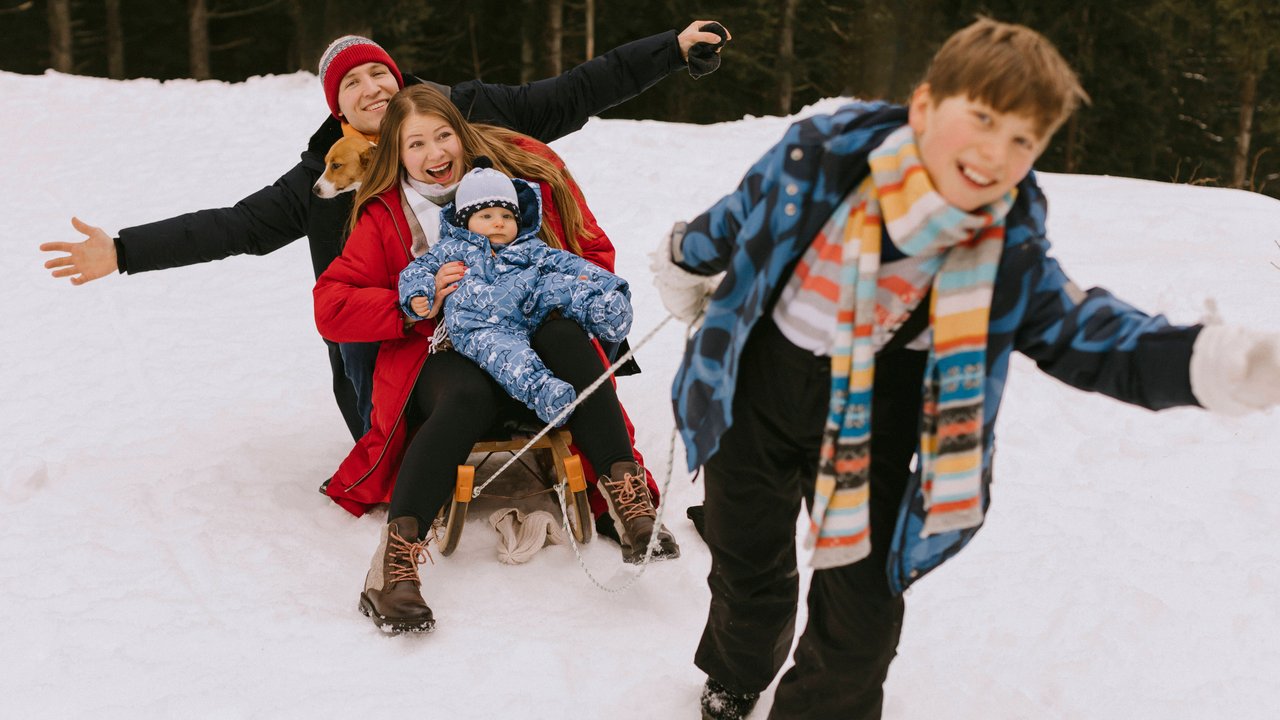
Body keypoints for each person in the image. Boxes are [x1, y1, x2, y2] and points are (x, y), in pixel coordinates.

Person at [650, 18, 1280, 720]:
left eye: (1023, 139)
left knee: (861, 616)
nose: (995, 152)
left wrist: (1210, 363)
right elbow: (743, 214)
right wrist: (685, 255)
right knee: (748, 561)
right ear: (924, 108)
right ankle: (736, 672)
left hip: (877, 417)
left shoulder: (1004, 244)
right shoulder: (823, 156)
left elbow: (1087, 333)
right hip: (757, 384)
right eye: (981, 118)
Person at [38, 22, 731, 442]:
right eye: (351, 84)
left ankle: (584, 453)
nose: (371, 87)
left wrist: (670, 51)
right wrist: (124, 250)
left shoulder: (469, 116)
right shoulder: (325, 178)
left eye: (379, 72)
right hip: (408, 343)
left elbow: (576, 90)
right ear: (338, 110)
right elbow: (234, 227)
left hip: (509, 315)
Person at [315, 85, 680, 634]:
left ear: (461, 136)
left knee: (564, 335)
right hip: (447, 353)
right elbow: (333, 306)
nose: (435, 154)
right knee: (468, 392)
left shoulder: (517, 189)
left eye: (443, 136)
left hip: (534, 344)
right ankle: (393, 568)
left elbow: (589, 253)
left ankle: (626, 500)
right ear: (395, 153)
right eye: (416, 144)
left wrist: (556, 289)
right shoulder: (385, 214)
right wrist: (413, 302)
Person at [399, 159, 633, 424]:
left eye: (507, 216)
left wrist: (609, 283)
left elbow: (569, 263)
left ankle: (603, 312)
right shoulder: (452, 248)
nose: (499, 223)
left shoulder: (529, 246)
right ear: (466, 221)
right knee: (510, 357)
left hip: (528, 309)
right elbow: (418, 269)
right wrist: (418, 294)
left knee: (558, 284)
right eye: (486, 216)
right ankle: (543, 392)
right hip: (480, 327)